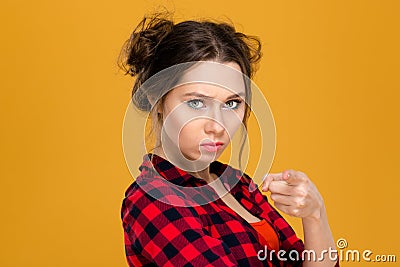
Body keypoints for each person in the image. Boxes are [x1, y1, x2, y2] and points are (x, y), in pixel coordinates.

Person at [119, 12, 339, 267]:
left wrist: (314, 215)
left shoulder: (238, 185)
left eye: (232, 103)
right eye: (196, 102)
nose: (217, 125)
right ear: (159, 100)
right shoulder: (154, 200)